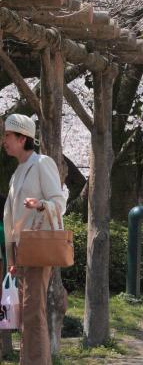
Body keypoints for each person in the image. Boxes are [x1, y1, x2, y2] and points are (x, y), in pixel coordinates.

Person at [3, 113, 66, 365]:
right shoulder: (18, 171)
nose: (4, 140)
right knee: (25, 315)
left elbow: (59, 203)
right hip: (22, 250)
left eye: (7, 135)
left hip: (38, 248)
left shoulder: (42, 163)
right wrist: (12, 257)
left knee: (32, 312)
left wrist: (41, 205)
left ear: (22, 138)